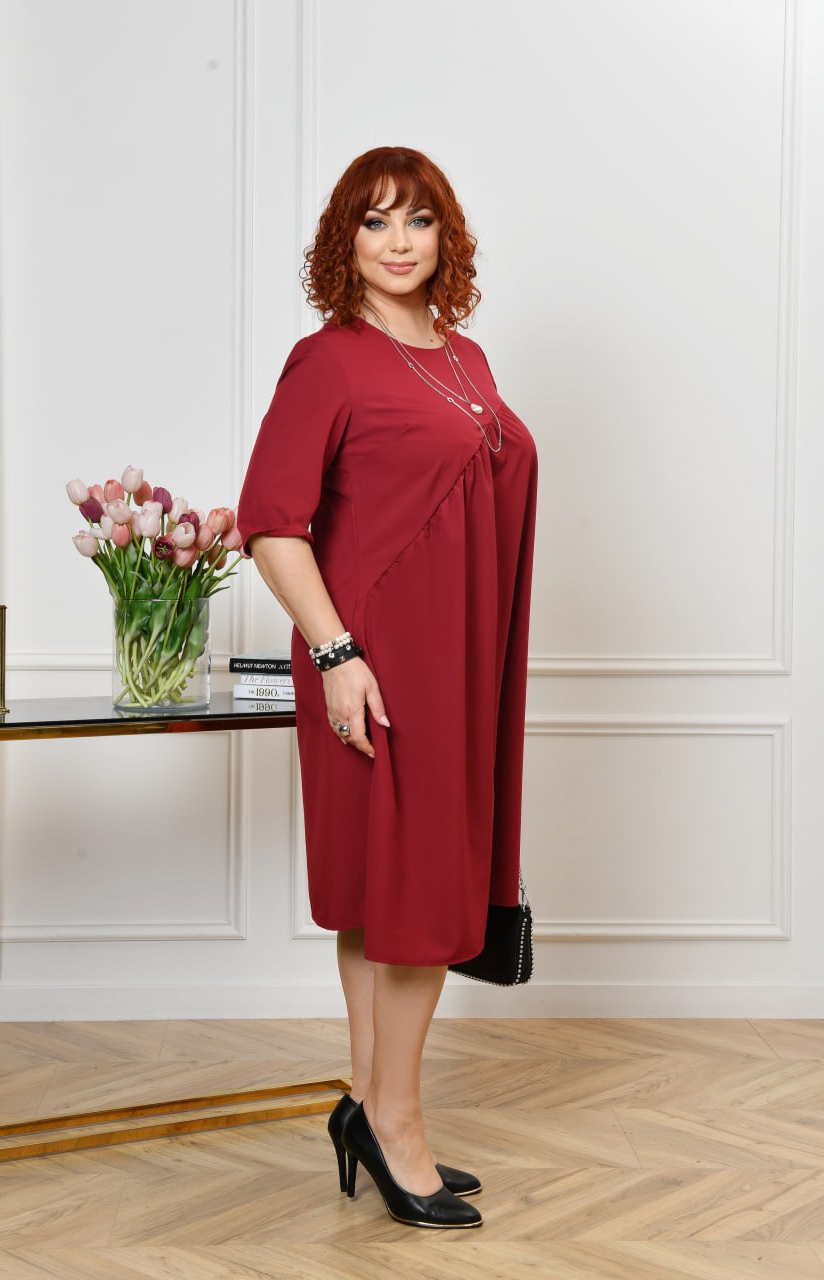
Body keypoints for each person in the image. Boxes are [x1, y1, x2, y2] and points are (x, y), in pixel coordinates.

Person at [237, 146, 538, 1230]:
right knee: (409, 901)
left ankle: (367, 1105)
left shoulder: (466, 358)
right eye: (374, 222)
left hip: (456, 662)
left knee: (391, 895)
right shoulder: (328, 361)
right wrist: (335, 655)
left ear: (445, 236)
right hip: (371, 667)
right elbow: (270, 523)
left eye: (417, 219)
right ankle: (398, 1129)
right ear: (344, 241)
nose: (398, 241)